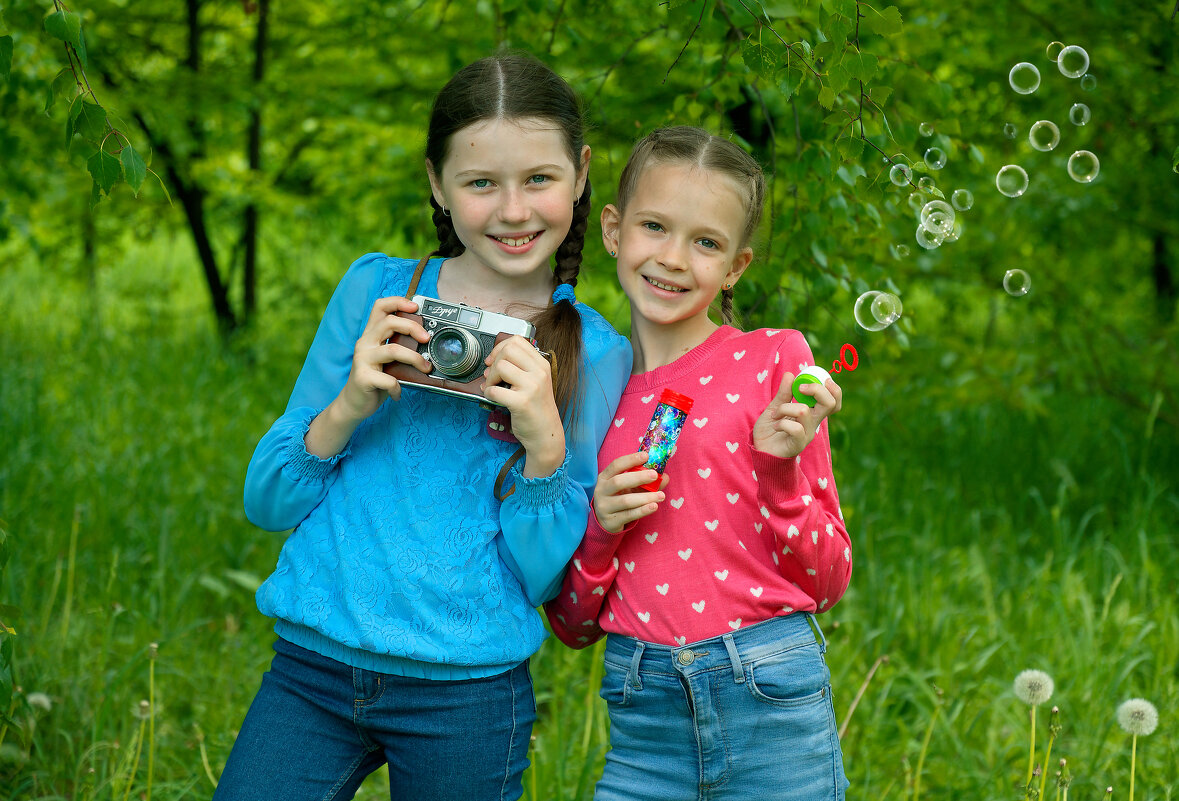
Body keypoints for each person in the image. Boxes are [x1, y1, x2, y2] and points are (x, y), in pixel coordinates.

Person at [216, 53, 632, 801]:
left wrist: (544, 446)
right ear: (437, 183)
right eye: (480, 183)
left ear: (581, 172)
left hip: (467, 692)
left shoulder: (596, 352)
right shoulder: (377, 290)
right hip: (312, 668)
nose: (513, 211)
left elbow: (541, 578)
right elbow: (266, 504)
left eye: (539, 178)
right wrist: (347, 404)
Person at [544, 126, 852, 801]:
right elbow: (570, 622)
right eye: (655, 226)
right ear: (614, 230)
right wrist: (599, 527)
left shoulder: (774, 360)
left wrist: (779, 473)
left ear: (735, 266)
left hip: (770, 696)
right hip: (641, 710)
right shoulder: (588, 388)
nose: (674, 259)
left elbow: (828, 580)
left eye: (705, 241)